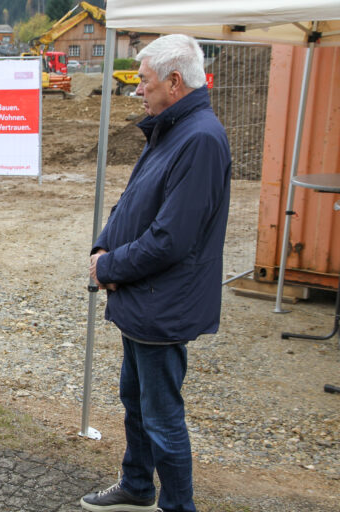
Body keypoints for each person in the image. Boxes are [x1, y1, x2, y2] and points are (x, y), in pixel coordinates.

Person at [81, 34, 231, 512]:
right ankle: (138, 486)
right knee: (135, 401)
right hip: (141, 297)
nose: (138, 90)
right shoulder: (171, 128)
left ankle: (177, 506)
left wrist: (110, 266)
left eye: (143, 81)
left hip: (162, 301)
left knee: (162, 417)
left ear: (173, 80)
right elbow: (134, 201)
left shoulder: (201, 138)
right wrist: (104, 245)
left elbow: (172, 238)